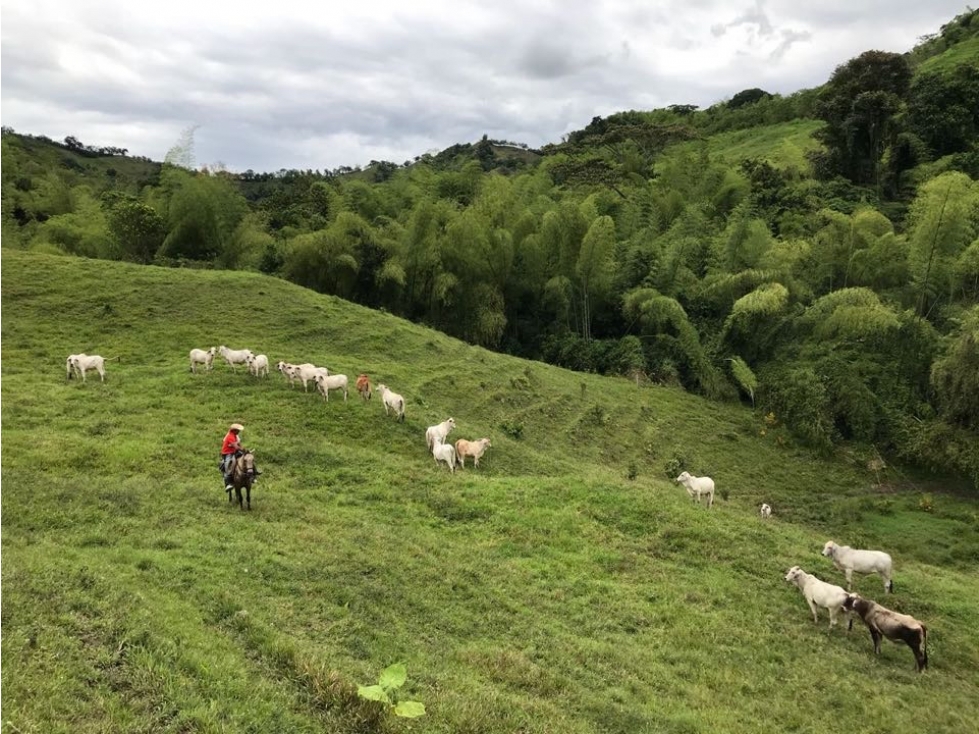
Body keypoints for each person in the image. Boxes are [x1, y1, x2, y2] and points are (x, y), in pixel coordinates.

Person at [220, 423, 245, 491]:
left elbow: (239, 444)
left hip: (233, 452)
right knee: (228, 465)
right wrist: (242, 449)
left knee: (247, 458)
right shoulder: (230, 436)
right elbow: (236, 447)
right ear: (234, 430)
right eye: (238, 430)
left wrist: (244, 450)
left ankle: (252, 475)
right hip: (227, 453)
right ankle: (228, 483)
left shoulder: (235, 436)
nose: (239, 431)